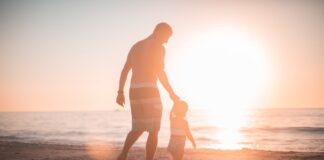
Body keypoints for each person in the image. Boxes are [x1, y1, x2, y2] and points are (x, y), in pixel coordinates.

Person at [116, 22, 180, 160]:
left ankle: (123, 155)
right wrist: (171, 93)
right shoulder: (159, 47)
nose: (167, 41)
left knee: (138, 128)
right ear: (159, 32)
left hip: (134, 91)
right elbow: (160, 72)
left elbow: (125, 70)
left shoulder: (136, 46)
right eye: (167, 37)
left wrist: (120, 92)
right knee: (154, 130)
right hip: (149, 90)